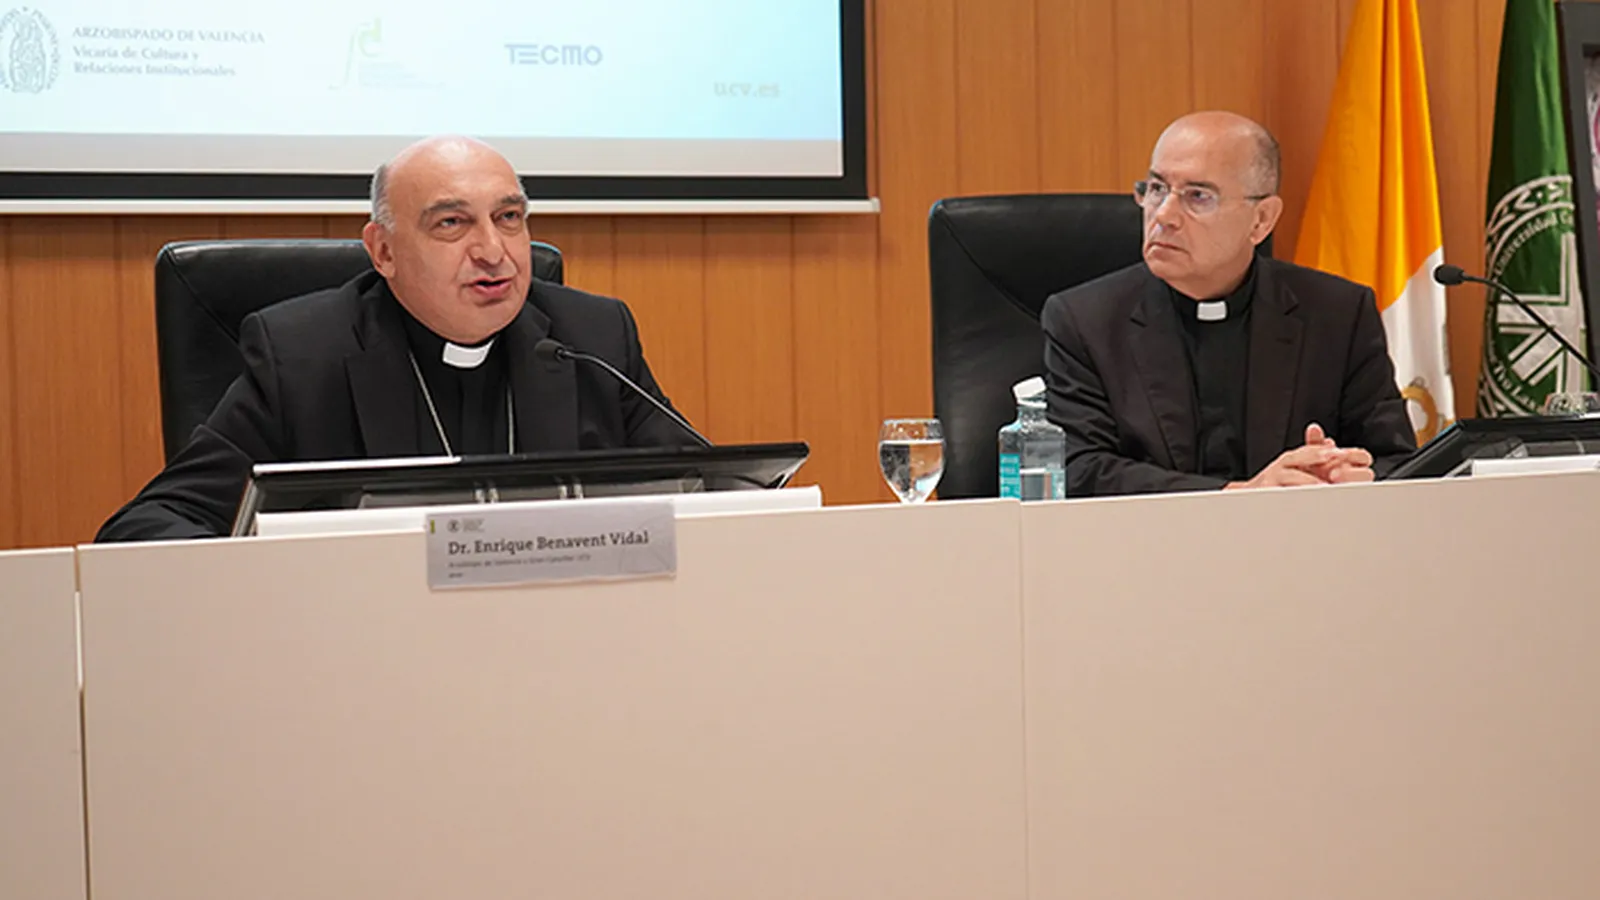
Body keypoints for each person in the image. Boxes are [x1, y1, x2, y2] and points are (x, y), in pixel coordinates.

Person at [98, 136, 695, 541]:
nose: (494, 251)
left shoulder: (592, 338)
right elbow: (155, 523)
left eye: (508, 218)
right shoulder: (302, 357)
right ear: (383, 251)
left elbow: (711, 498)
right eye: (452, 223)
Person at [1041, 111, 1416, 497]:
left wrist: (1345, 475)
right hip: (1151, 535)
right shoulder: (1086, 321)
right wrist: (1240, 493)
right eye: (1156, 188)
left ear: (1261, 220)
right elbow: (1078, 469)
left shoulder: (1338, 313)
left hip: (1299, 534)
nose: (1163, 215)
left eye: (1197, 196)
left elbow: (1397, 462)